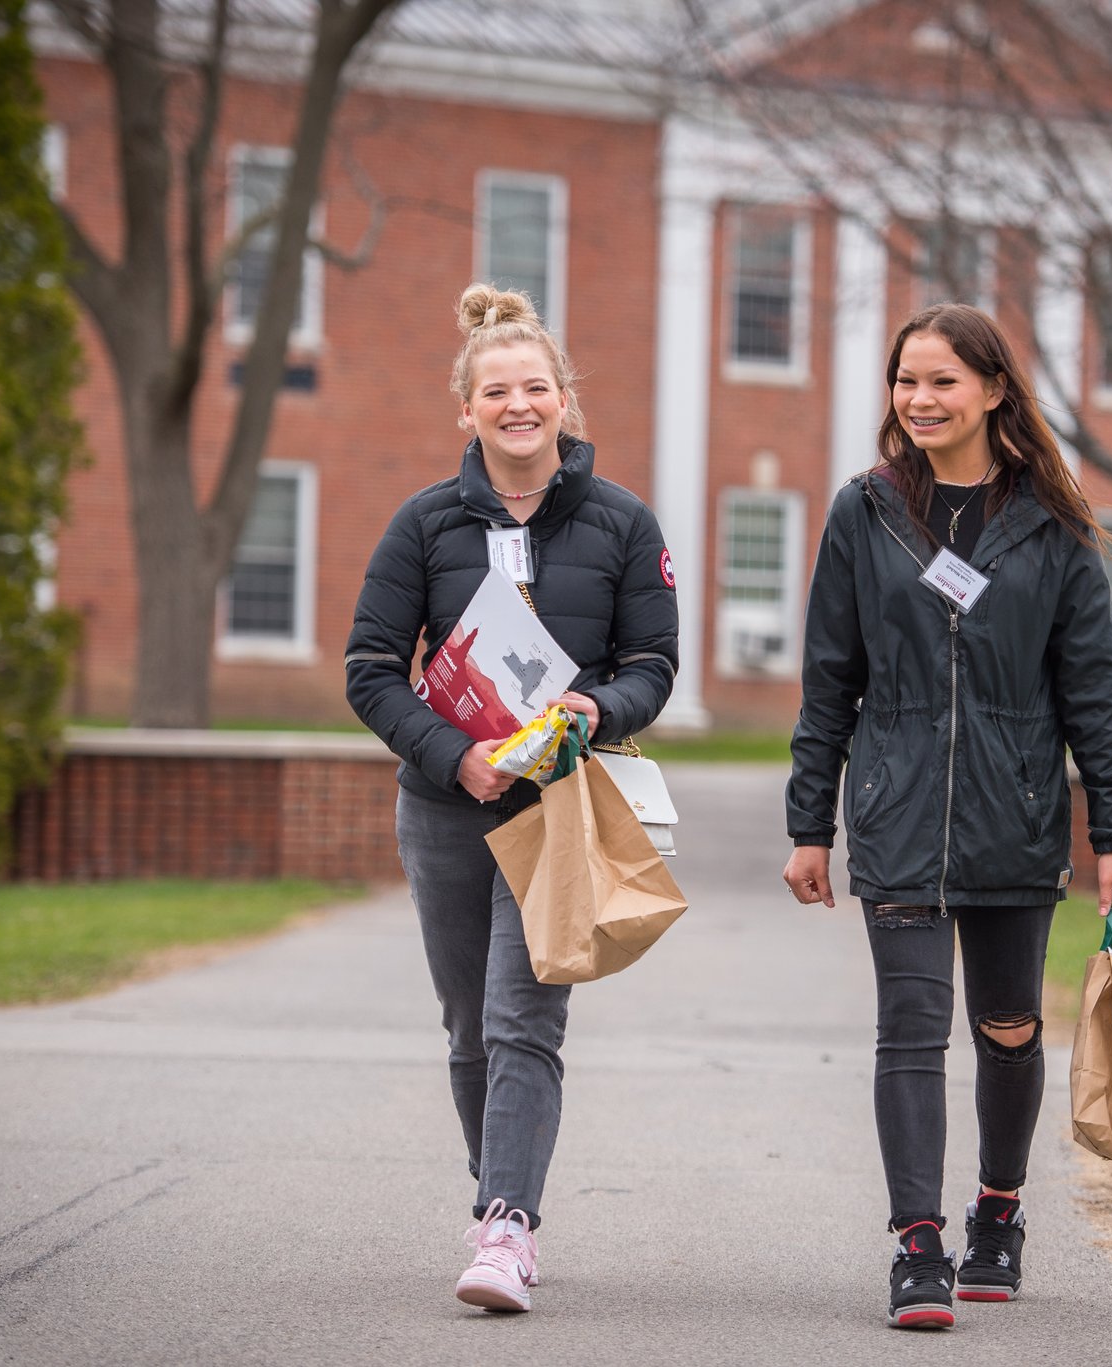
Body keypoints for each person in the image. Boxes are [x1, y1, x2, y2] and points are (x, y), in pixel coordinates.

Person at [782, 302, 1112, 1329]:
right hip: (895, 812)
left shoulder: (1050, 523)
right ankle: (916, 1242)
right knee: (908, 1026)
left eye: (941, 380)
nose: (919, 399)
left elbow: (1092, 691)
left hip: (1012, 815)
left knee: (1007, 1026)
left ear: (992, 389)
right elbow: (827, 679)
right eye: (906, 380)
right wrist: (810, 822)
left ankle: (997, 1207)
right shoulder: (865, 510)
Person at [345, 284, 678, 1314]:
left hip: (558, 806)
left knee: (523, 1013)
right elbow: (369, 668)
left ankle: (506, 1225)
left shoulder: (622, 521)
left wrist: (595, 703)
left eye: (536, 386)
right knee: (468, 1028)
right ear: (468, 408)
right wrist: (455, 757)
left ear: (565, 400)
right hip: (447, 806)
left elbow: (654, 662)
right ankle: (496, 1196)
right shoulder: (423, 523)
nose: (519, 404)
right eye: (498, 390)